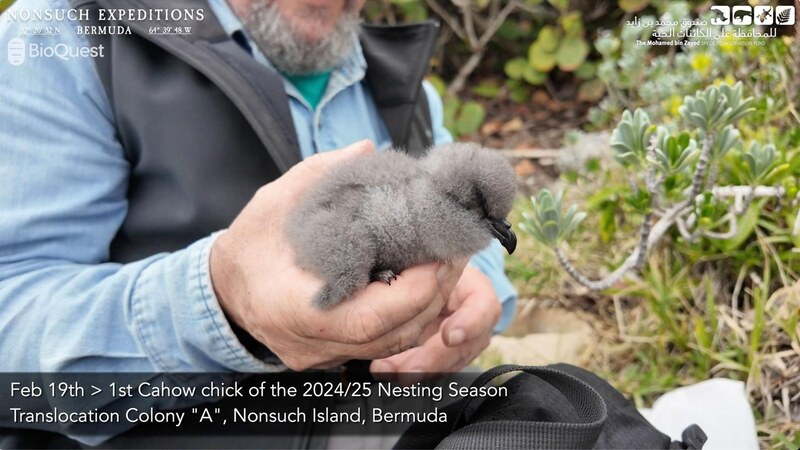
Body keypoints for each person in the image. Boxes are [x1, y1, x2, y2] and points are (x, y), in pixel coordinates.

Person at [0, 0, 517, 444]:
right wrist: (222, 304)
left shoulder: (399, 78)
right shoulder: (61, 37)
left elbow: (470, 216)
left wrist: (475, 284)